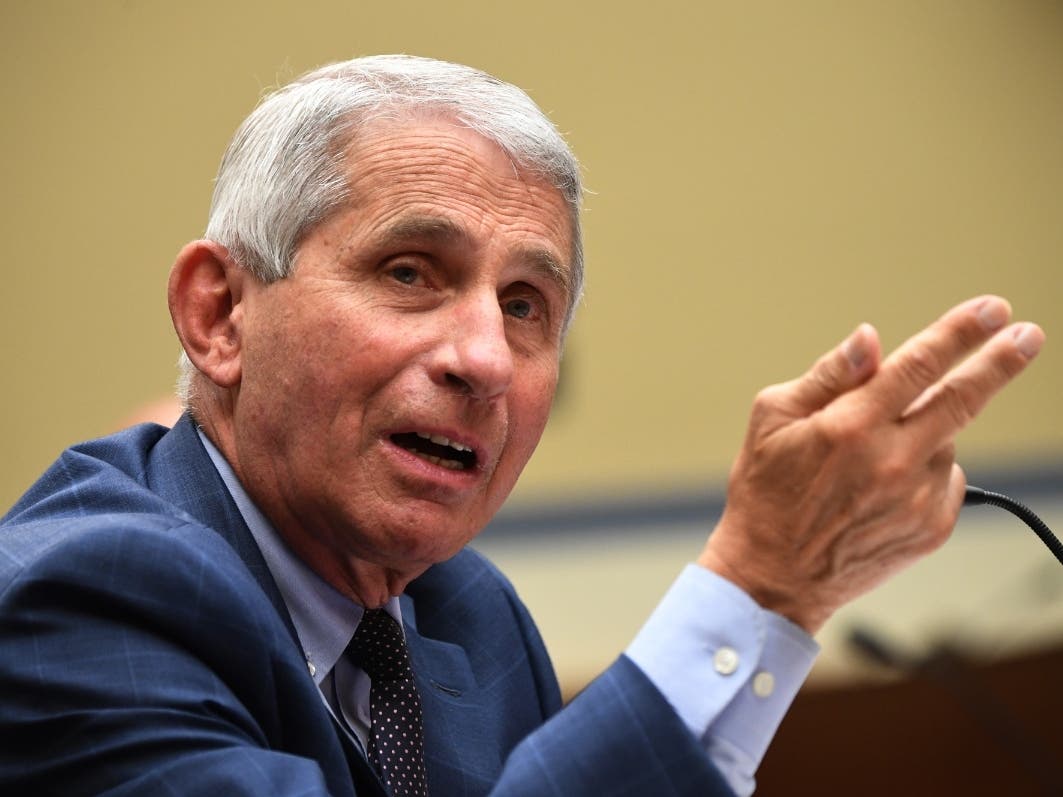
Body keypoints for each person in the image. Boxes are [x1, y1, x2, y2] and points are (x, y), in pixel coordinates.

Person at [0, 55, 1044, 797]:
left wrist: (777, 603)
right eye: (409, 272)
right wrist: (756, 588)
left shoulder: (466, 616)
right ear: (221, 314)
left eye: (524, 304)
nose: (485, 358)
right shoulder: (81, 598)